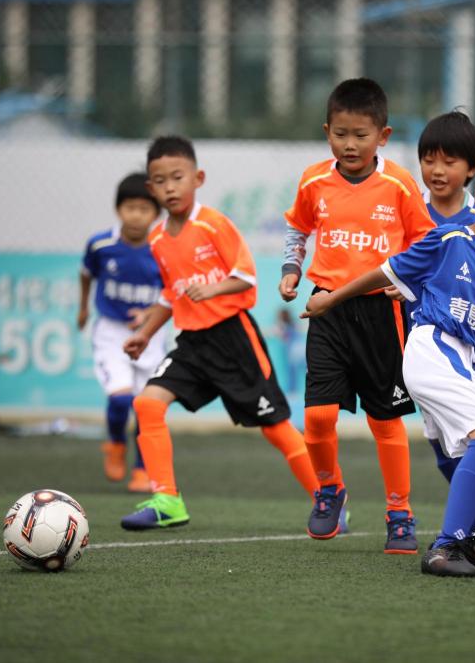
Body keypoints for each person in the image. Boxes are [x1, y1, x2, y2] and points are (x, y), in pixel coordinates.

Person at [302, 155, 475, 577]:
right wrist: (331, 297)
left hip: (461, 364)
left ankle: (463, 535)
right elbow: (385, 272)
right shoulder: (449, 239)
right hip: (430, 348)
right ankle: (445, 547)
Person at [119, 136, 320, 530]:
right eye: (160, 181)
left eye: (178, 177)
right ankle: (167, 500)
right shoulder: (157, 239)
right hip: (192, 344)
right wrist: (145, 332)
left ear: (198, 178)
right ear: (151, 188)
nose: (170, 187)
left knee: (276, 427)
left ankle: (327, 499)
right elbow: (169, 294)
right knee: (147, 405)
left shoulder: (213, 224)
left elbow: (246, 278)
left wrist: (211, 289)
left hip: (234, 340)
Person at [279, 78, 435, 553]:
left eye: (361, 135)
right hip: (326, 307)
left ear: (382, 137)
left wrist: (405, 285)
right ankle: (329, 489)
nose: (350, 144)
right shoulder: (312, 180)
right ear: (328, 131)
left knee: (385, 421)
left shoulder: (399, 185)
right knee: (319, 415)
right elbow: (297, 230)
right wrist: (291, 269)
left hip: (381, 314)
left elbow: (425, 243)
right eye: (340, 133)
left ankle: (400, 513)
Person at [416, 110, 475, 544]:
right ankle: (474, 517)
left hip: (459, 348)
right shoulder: (411, 214)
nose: (437, 170)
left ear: (471, 170)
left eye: (449, 161)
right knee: (436, 437)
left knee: (472, 433)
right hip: (415, 342)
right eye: (429, 159)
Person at [78, 172, 164, 493]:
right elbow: (86, 274)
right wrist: (83, 308)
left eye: (144, 209)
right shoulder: (101, 245)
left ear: (156, 213)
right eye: (130, 207)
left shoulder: (162, 248)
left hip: (149, 333)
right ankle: (115, 443)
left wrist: (148, 313)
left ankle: (142, 470)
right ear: (118, 210)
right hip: (111, 332)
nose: (137, 215)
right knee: (120, 398)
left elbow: (172, 292)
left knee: (146, 405)